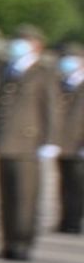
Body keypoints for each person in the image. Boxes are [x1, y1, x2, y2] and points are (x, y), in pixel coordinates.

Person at [0, 26, 60, 261]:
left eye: (23, 41)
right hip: (4, 143)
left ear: (36, 46)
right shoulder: (6, 70)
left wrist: (50, 141)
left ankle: (23, 243)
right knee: (6, 196)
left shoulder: (44, 73)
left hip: (29, 143)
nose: (17, 45)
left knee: (25, 197)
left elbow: (52, 109)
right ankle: (8, 242)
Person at [56, 44, 83, 235]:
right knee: (65, 182)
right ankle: (66, 219)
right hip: (64, 142)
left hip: (79, 142)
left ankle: (74, 221)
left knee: (78, 184)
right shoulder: (64, 83)